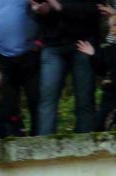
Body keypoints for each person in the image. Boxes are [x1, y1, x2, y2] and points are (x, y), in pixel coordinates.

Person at [34, 0, 101, 134]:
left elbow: (95, 9)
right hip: (52, 43)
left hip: (82, 42)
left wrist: (61, 7)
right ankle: (45, 148)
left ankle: (85, 147)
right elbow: (38, 15)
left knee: (85, 99)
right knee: (47, 99)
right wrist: (42, 10)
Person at [0, 0, 40, 135]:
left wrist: (38, 41)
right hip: (1, 56)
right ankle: (16, 136)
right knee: (8, 102)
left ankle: (37, 137)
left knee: (35, 98)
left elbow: (40, 10)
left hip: (29, 53)